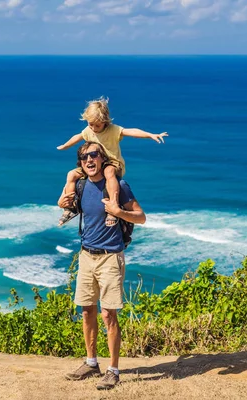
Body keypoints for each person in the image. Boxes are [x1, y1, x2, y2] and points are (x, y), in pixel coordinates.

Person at [57, 141, 146, 390]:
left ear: (103, 158)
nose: (89, 160)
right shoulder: (83, 185)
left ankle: (113, 370)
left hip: (110, 257)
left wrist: (118, 211)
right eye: (84, 156)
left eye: (94, 155)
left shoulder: (119, 186)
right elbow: (67, 205)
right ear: (81, 162)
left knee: (108, 314)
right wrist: (64, 199)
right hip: (86, 255)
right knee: (87, 310)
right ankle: (91, 362)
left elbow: (141, 217)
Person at [57, 96, 166, 227]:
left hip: (113, 164)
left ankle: (113, 207)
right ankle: (70, 207)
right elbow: (77, 137)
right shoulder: (88, 130)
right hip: (95, 165)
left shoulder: (113, 130)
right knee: (71, 174)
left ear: (105, 121)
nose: (93, 128)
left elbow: (131, 131)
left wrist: (150, 135)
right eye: (90, 124)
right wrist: (65, 146)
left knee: (108, 172)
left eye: (97, 125)